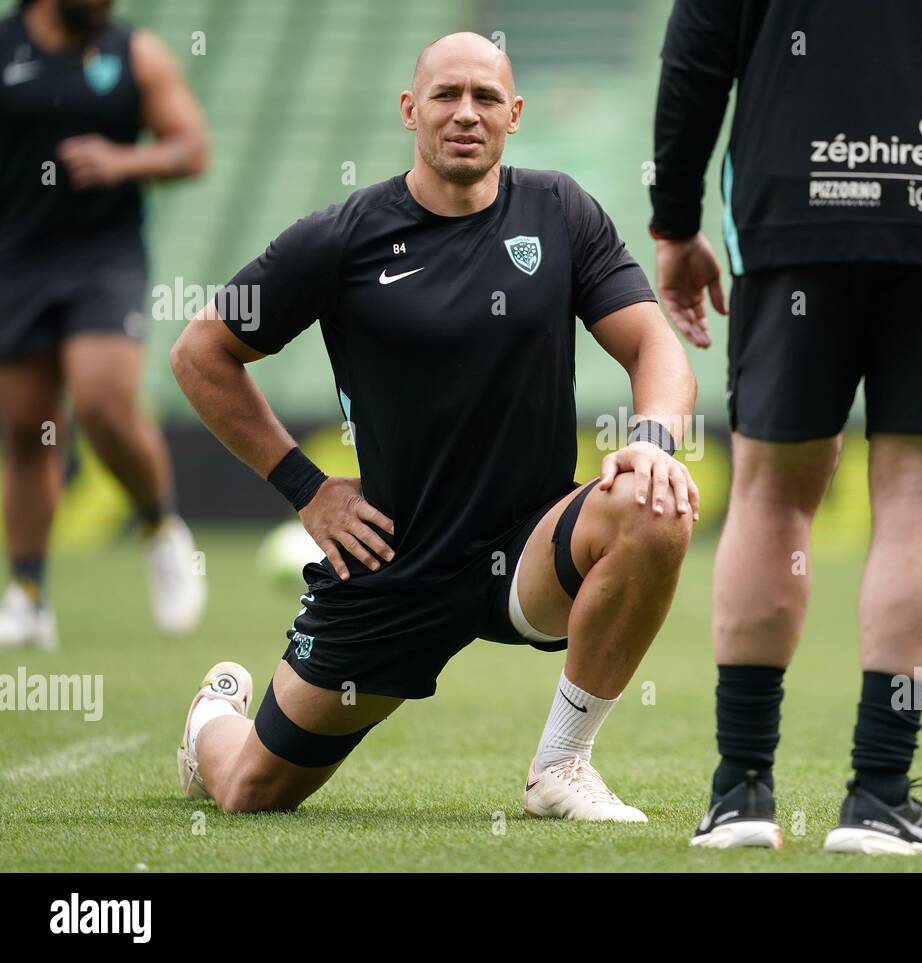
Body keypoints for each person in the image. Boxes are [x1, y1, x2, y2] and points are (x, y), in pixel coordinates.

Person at [169, 33, 699, 819]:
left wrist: (654, 437)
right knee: (252, 791)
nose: (465, 113)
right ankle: (212, 714)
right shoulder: (338, 238)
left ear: (514, 115)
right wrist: (307, 490)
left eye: (486, 98)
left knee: (657, 504)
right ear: (409, 109)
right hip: (396, 558)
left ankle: (560, 766)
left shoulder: (560, 211)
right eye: (446, 95)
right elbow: (200, 353)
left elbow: (656, 343)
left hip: (529, 546)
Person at [650, 0, 922, 852]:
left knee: (770, 493)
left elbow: (696, 57)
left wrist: (674, 220)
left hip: (798, 214)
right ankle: (880, 795)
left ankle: (740, 792)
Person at [0, 0, 209, 647]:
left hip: (102, 261)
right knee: (27, 431)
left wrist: (123, 163)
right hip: (16, 261)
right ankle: (29, 593)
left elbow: (191, 149)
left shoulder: (135, 54)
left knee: (102, 404)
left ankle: (160, 525)